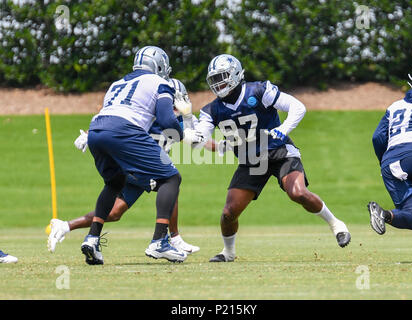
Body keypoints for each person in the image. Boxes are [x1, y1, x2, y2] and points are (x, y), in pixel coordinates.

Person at [194, 54, 351, 262]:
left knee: (298, 193)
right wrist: (185, 126)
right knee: (228, 213)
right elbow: (199, 139)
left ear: (235, 74)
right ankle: (228, 253)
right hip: (251, 161)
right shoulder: (212, 110)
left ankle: (336, 224)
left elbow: (298, 107)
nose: (218, 83)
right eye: (214, 79)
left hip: (279, 152)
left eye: (222, 77)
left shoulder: (258, 90)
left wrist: (283, 129)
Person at [48, 78, 215, 255]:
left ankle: (65, 226)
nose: (176, 107)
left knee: (114, 213)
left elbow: (200, 141)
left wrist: (221, 144)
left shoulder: (177, 119)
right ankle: (173, 239)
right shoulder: (152, 115)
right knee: (171, 181)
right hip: (138, 165)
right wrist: (88, 134)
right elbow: (121, 123)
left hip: (141, 169)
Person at [79, 46, 204, 265]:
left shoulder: (117, 83)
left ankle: (92, 237)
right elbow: (166, 121)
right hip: (124, 130)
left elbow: (109, 112)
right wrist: (186, 133)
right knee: (171, 177)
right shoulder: (159, 82)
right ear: (158, 66)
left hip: (97, 129)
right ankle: (159, 242)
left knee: (114, 182)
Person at [368, 63, 412, 234]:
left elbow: (377, 138)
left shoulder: (394, 106)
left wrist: (384, 163)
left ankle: (384, 215)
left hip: (390, 162)